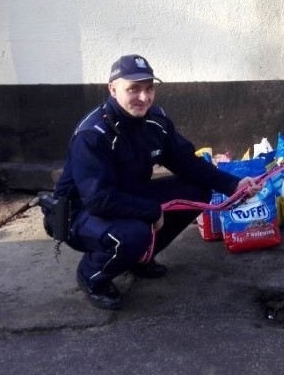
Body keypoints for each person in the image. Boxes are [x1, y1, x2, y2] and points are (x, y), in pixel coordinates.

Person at [51, 54, 260, 310]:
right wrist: (151, 211)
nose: (144, 97)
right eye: (133, 89)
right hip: (79, 213)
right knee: (133, 233)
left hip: (127, 196)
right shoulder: (93, 135)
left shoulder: (155, 122)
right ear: (113, 89)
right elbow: (98, 199)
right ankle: (92, 274)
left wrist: (234, 185)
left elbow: (188, 163)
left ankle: (139, 258)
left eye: (149, 88)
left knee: (196, 190)